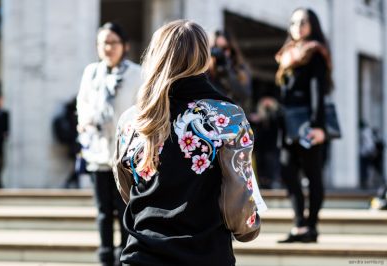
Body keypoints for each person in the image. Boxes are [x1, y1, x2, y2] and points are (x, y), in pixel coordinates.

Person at [112, 20, 267, 266]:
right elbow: (237, 197)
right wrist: (248, 229)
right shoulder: (228, 118)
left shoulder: (133, 119)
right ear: (204, 59)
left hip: (142, 254)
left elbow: (126, 189)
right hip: (205, 254)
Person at [76, 22, 143, 266]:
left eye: (113, 42)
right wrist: (85, 123)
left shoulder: (137, 73)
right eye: (103, 42)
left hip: (126, 156)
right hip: (98, 153)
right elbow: (82, 104)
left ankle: (126, 258)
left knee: (126, 210)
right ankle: (105, 256)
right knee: (104, 212)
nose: (108, 47)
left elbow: (142, 110)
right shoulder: (91, 72)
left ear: (124, 45)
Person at [275, 8, 333, 243]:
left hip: (308, 123)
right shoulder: (286, 54)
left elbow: (317, 91)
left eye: (303, 22)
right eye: (293, 22)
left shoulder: (315, 52)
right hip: (288, 123)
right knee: (287, 170)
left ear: (312, 25)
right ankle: (300, 224)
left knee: (313, 173)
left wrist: (318, 126)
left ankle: (311, 226)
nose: (297, 26)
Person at [208, 30, 252, 114]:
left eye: (224, 48)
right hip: (213, 115)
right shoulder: (207, 70)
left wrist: (227, 71)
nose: (221, 52)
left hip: (233, 114)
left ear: (231, 48)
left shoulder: (239, 68)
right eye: (217, 47)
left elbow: (245, 94)